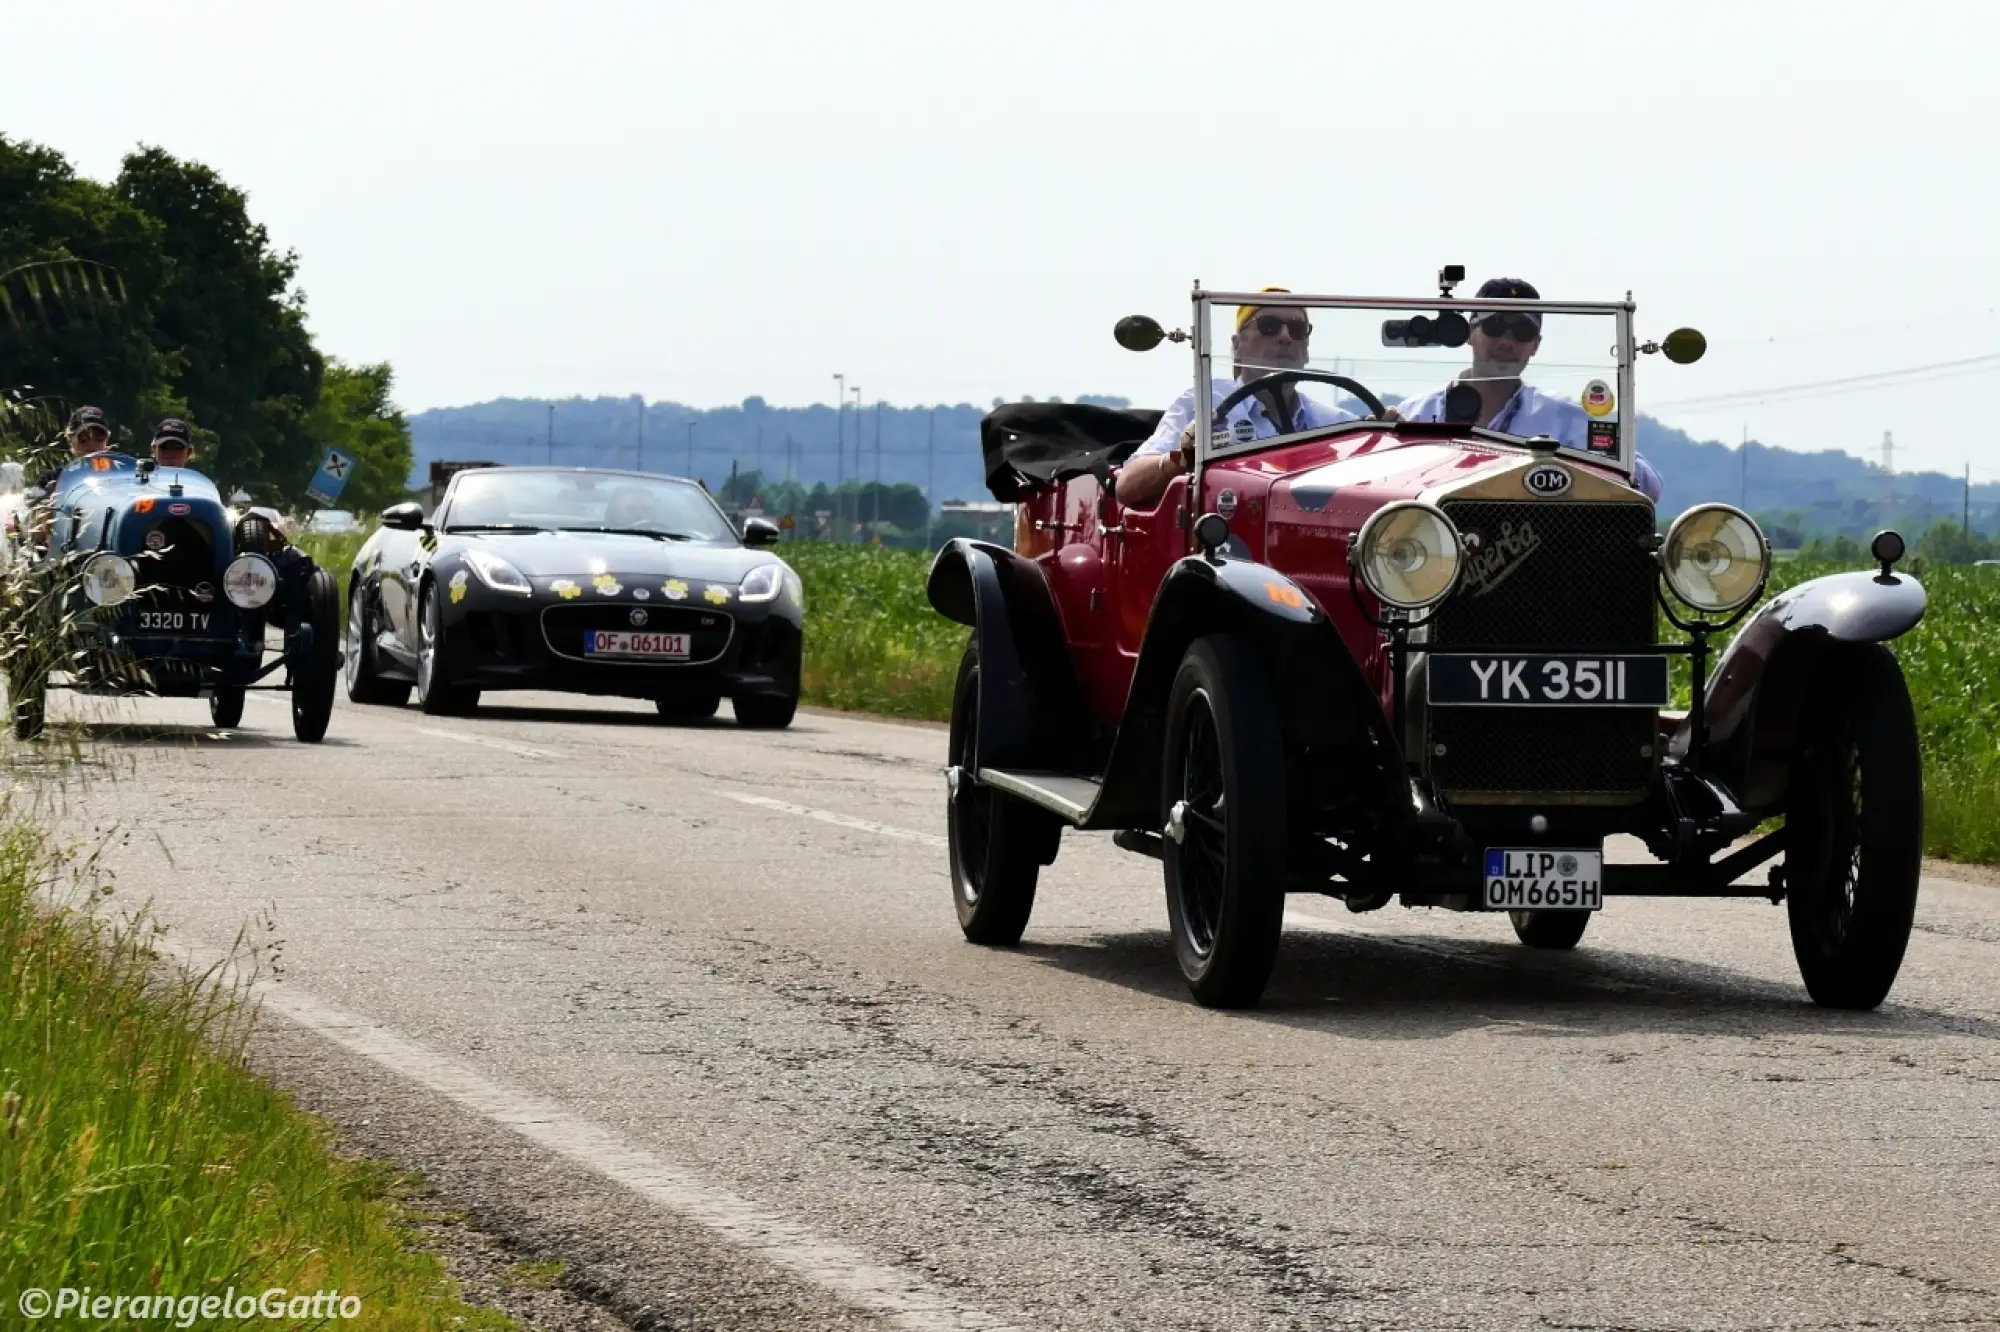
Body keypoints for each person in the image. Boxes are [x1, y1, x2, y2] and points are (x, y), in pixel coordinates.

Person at [1394, 277, 1663, 502]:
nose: (1507, 341)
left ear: (1535, 345)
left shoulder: (1565, 419)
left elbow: (1649, 486)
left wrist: (1592, 463)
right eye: (1495, 326)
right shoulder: (1415, 413)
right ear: (1469, 333)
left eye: (1522, 332)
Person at [1115, 287, 1357, 508]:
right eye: (1268, 326)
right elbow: (1126, 485)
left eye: (1297, 329)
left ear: (1306, 349)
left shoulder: (1338, 424)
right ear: (1238, 344)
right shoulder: (1203, 403)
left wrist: (1390, 430)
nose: (1285, 337)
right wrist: (1183, 457)